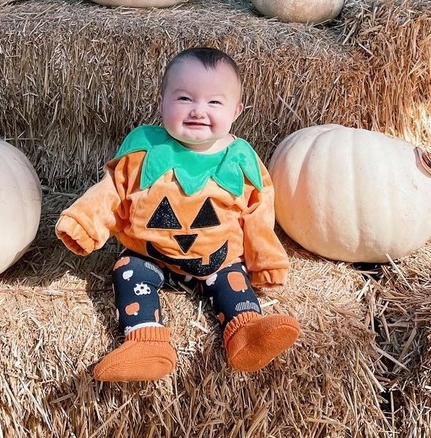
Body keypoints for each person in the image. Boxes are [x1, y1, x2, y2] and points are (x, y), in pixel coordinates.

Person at [55, 47, 300, 382]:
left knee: (232, 277)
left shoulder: (241, 160)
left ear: (236, 110)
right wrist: (84, 223)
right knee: (127, 270)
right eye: (184, 98)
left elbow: (259, 215)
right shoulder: (144, 150)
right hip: (150, 256)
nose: (199, 110)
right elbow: (111, 191)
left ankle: (245, 331)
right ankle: (145, 342)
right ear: (162, 103)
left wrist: (266, 261)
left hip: (216, 259)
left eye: (214, 102)